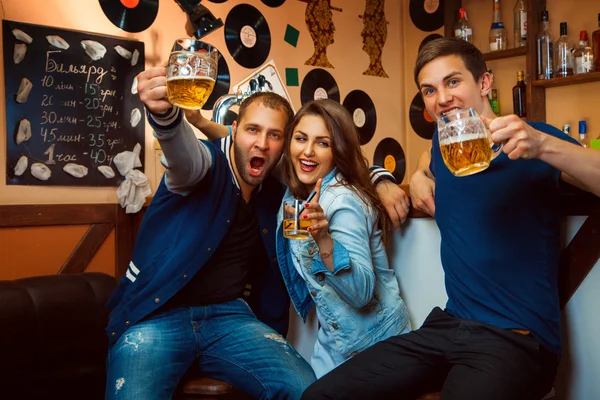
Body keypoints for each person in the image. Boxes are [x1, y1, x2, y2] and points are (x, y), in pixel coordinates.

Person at [302, 38, 599, 400]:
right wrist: (415, 176)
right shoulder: (446, 150)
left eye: (453, 82)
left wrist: (542, 144)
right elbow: (427, 161)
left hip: (516, 341)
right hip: (447, 326)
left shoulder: (532, 141)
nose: (442, 98)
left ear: (485, 83)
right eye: (430, 89)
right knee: (319, 395)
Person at [105, 66, 409, 399]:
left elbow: (335, 156)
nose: (262, 144)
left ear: (283, 146)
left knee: (306, 390)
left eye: (275, 135)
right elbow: (184, 155)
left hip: (229, 318)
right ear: (234, 132)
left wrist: (380, 179)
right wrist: (167, 118)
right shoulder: (202, 165)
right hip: (157, 315)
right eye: (252, 130)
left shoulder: (279, 183)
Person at [276, 100, 411, 378]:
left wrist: (324, 239)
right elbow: (257, 147)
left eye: (322, 143)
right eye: (301, 139)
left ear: (338, 151)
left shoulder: (342, 200)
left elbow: (361, 294)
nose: (308, 151)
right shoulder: (298, 191)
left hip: (375, 343)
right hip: (335, 339)